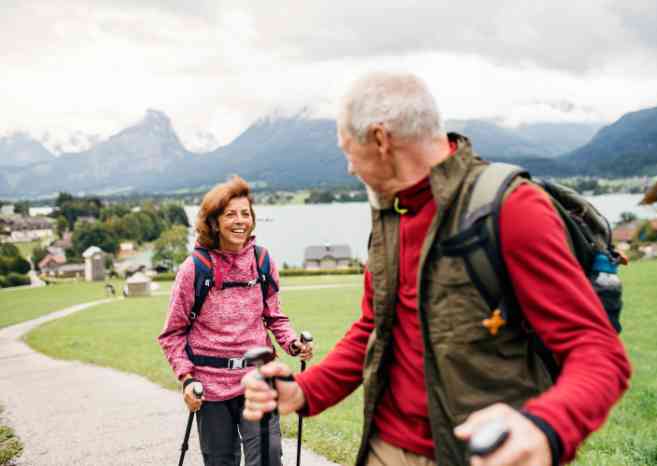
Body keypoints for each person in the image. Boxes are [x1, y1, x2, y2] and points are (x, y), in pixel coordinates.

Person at [241, 72, 631, 466]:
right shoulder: (389, 214)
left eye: (348, 151)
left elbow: (597, 351)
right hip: (385, 449)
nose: (349, 169)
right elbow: (373, 330)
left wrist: (546, 426)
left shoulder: (511, 208)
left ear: (380, 139)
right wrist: (303, 391)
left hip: (481, 456)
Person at [158, 176, 313, 466]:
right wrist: (187, 379)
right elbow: (173, 334)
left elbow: (274, 315)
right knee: (221, 462)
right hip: (211, 389)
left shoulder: (262, 260)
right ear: (214, 222)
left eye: (245, 213)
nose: (240, 220)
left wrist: (293, 343)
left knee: (268, 458)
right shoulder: (195, 269)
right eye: (230, 214)